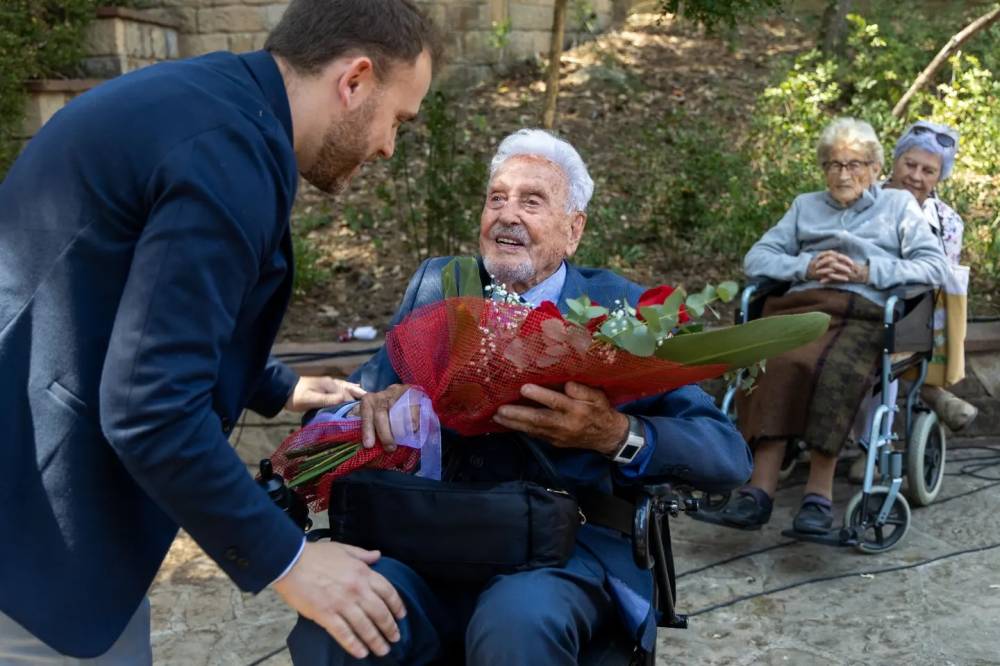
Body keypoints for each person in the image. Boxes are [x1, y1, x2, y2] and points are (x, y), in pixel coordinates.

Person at [0, 0, 439, 663]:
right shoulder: (232, 158)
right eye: (397, 120)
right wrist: (291, 562)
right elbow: (149, 410)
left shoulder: (210, 104)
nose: (387, 145)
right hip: (34, 526)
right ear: (354, 79)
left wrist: (278, 386)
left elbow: (130, 303)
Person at [286, 129, 753, 664]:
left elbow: (726, 456)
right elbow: (337, 416)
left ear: (573, 230)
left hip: (559, 554)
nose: (507, 215)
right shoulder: (440, 287)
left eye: (531, 202)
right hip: (425, 537)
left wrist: (615, 435)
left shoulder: (619, 310)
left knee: (518, 621)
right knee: (340, 615)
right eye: (496, 199)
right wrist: (366, 408)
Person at [698, 117, 948, 534]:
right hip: (800, 304)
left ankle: (818, 495)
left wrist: (867, 271)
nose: (843, 173)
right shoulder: (805, 206)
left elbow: (932, 266)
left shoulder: (898, 207)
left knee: (834, 369)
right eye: (833, 164)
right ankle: (758, 493)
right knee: (768, 361)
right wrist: (806, 264)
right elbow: (756, 259)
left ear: (873, 169)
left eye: (854, 164)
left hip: (863, 310)